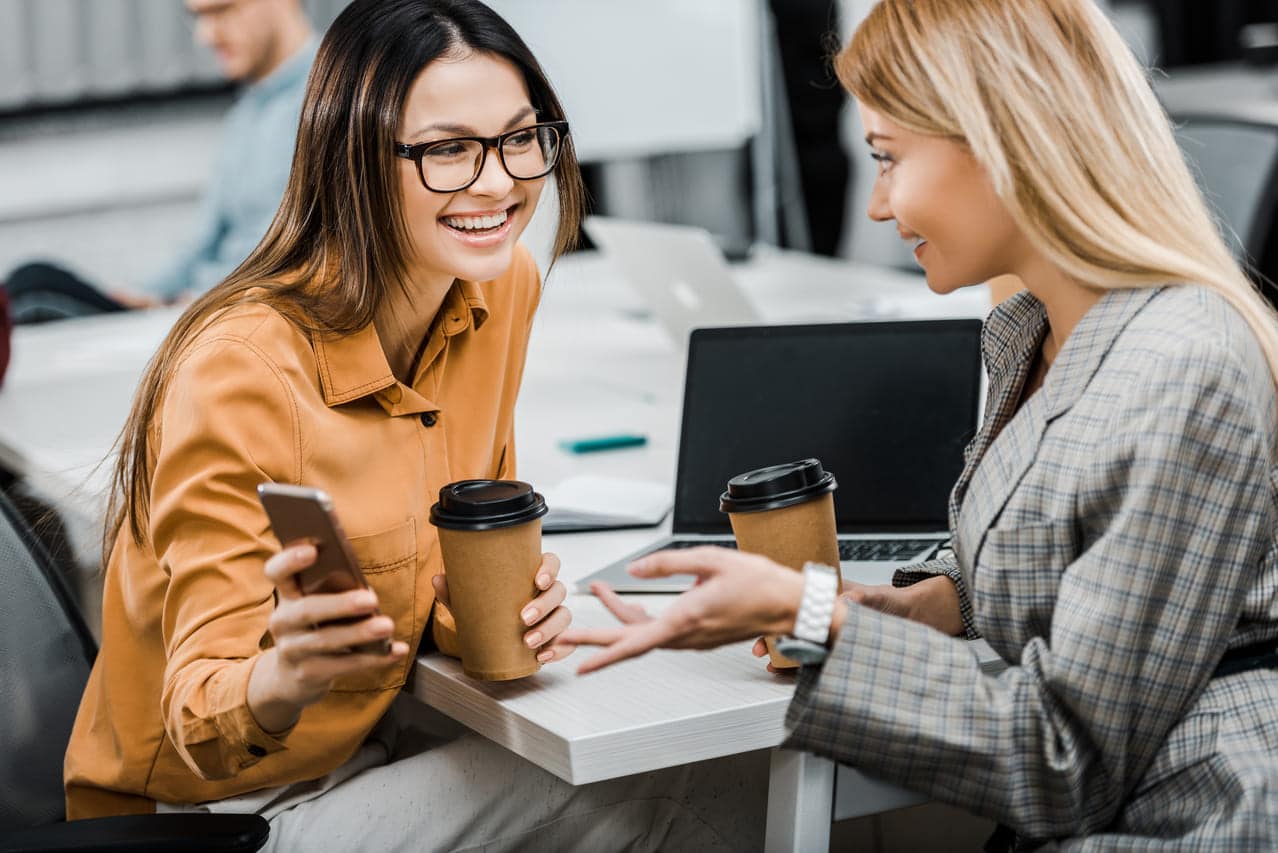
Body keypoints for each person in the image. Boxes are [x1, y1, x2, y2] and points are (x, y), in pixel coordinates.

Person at [565, 0, 1278, 848]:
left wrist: (816, 619)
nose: (875, 206)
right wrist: (930, 604)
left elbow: (1066, 762)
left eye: (888, 158)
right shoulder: (1035, 330)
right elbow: (1068, 543)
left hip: (1192, 817)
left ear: (1000, 143)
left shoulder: (1177, 366)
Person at [63, 2, 765, 850]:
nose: (499, 183)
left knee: (702, 747)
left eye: (518, 137)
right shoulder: (243, 368)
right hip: (214, 810)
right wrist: (285, 670)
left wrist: (494, 609)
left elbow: (443, 554)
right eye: (447, 150)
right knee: (652, 785)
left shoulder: (500, 290)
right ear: (353, 158)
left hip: (365, 740)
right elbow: (196, 713)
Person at [6, 0, 317, 323]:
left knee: (33, 297)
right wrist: (144, 294)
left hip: (229, 319)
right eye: (197, 17)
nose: (206, 36)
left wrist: (193, 304)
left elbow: (293, 256)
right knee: (29, 282)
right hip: (188, 312)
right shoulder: (247, 113)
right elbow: (201, 243)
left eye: (222, 11)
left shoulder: (330, 101)